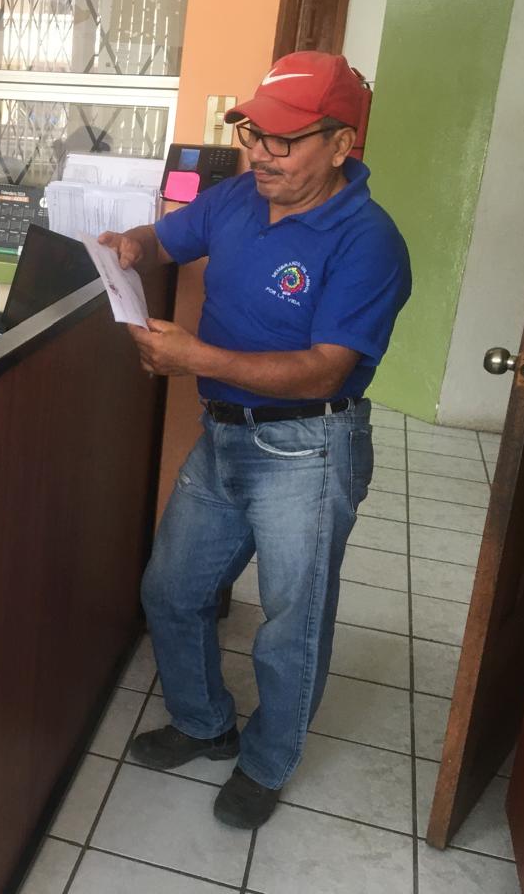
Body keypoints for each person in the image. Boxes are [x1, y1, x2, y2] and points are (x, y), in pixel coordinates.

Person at [100, 51, 411, 829]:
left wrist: (195, 359)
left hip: (311, 448)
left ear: (340, 145)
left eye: (285, 140)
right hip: (224, 437)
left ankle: (267, 763)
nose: (262, 154)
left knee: (289, 625)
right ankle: (204, 723)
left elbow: (325, 369)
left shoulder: (368, 241)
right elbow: (163, 241)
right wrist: (130, 247)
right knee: (171, 592)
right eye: (254, 134)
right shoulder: (238, 197)